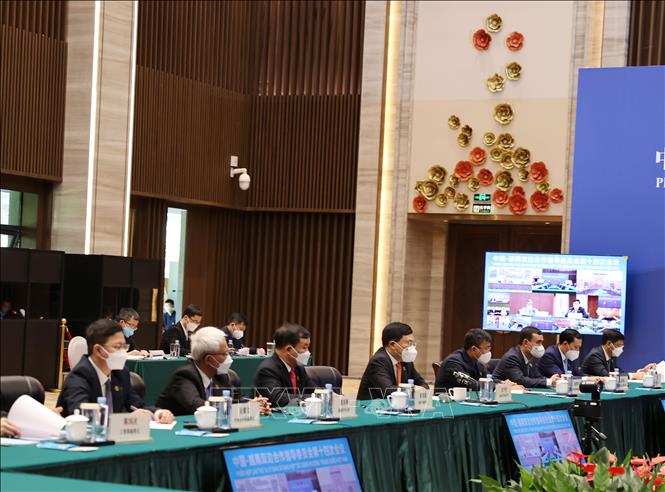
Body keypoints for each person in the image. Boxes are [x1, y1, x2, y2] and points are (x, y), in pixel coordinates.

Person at [57, 318, 174, 423]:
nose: (123, 352)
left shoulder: (120, 373)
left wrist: (158, 412)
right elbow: (83, 418)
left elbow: (137, 404)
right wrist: (126, 420)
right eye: (117, 347)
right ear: (98, 350)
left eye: (124, 347)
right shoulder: (79, 376)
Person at [156, 327, 270, 416]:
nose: (229, 357)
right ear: (209, 359)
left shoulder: (221, 375)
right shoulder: (184, 376)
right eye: (224, 353)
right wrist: (242, 409)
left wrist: (251, 404)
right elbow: (200, 407)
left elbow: (236, 399)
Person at [356, 322, 428, 400]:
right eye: (408, 343)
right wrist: (412, 389)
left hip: (398, 405)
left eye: (412, 343)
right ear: (392, 345)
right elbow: (388, 390)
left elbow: (423, 385)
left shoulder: (405, 360)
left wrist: (419, 389)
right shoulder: (379, 361)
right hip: (372, 406)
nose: (411, 347)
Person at [253, 322, 315, 407]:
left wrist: (324, 394)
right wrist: (313, 398)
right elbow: (279, 398)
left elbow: (314, 390)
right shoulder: (268, 370)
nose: (308, 352)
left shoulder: (299, 368)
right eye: (304, 347)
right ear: (288, 349)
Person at [493, 326, 560, 389]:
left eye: (541, 342)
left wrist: (551, 380)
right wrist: (548, 381)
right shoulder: (512, 357)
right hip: (500, 392)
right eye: (538, 342)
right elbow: (520, 380)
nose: (541, 346)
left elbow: (537, 376)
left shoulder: (531, 357)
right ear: (525, 343)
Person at [581, 329, 655, 377]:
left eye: (622, 346)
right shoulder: (595, 355)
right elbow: (607, 376)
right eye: (619, 346)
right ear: (609, 344)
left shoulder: (611, 355)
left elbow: (618, 372)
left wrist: (641, 371)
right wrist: (633, 376)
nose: (621, 349)